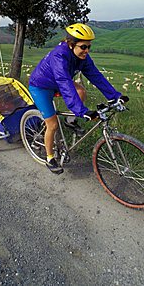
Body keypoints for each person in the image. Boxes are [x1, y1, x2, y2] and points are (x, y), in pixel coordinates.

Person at [29, 23, 129, 174]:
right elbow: (64, 81)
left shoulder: (83, 57)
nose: (87, 51)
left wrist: (114, 96)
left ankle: (70, 122)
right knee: (53, 125)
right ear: (71, 44)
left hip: (58, 83)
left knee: (81, 91)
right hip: (41, 87)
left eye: (89, 47)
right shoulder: (59, 56)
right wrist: (81, 110)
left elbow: (96, 76)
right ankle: (50, 158)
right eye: (83, 47)